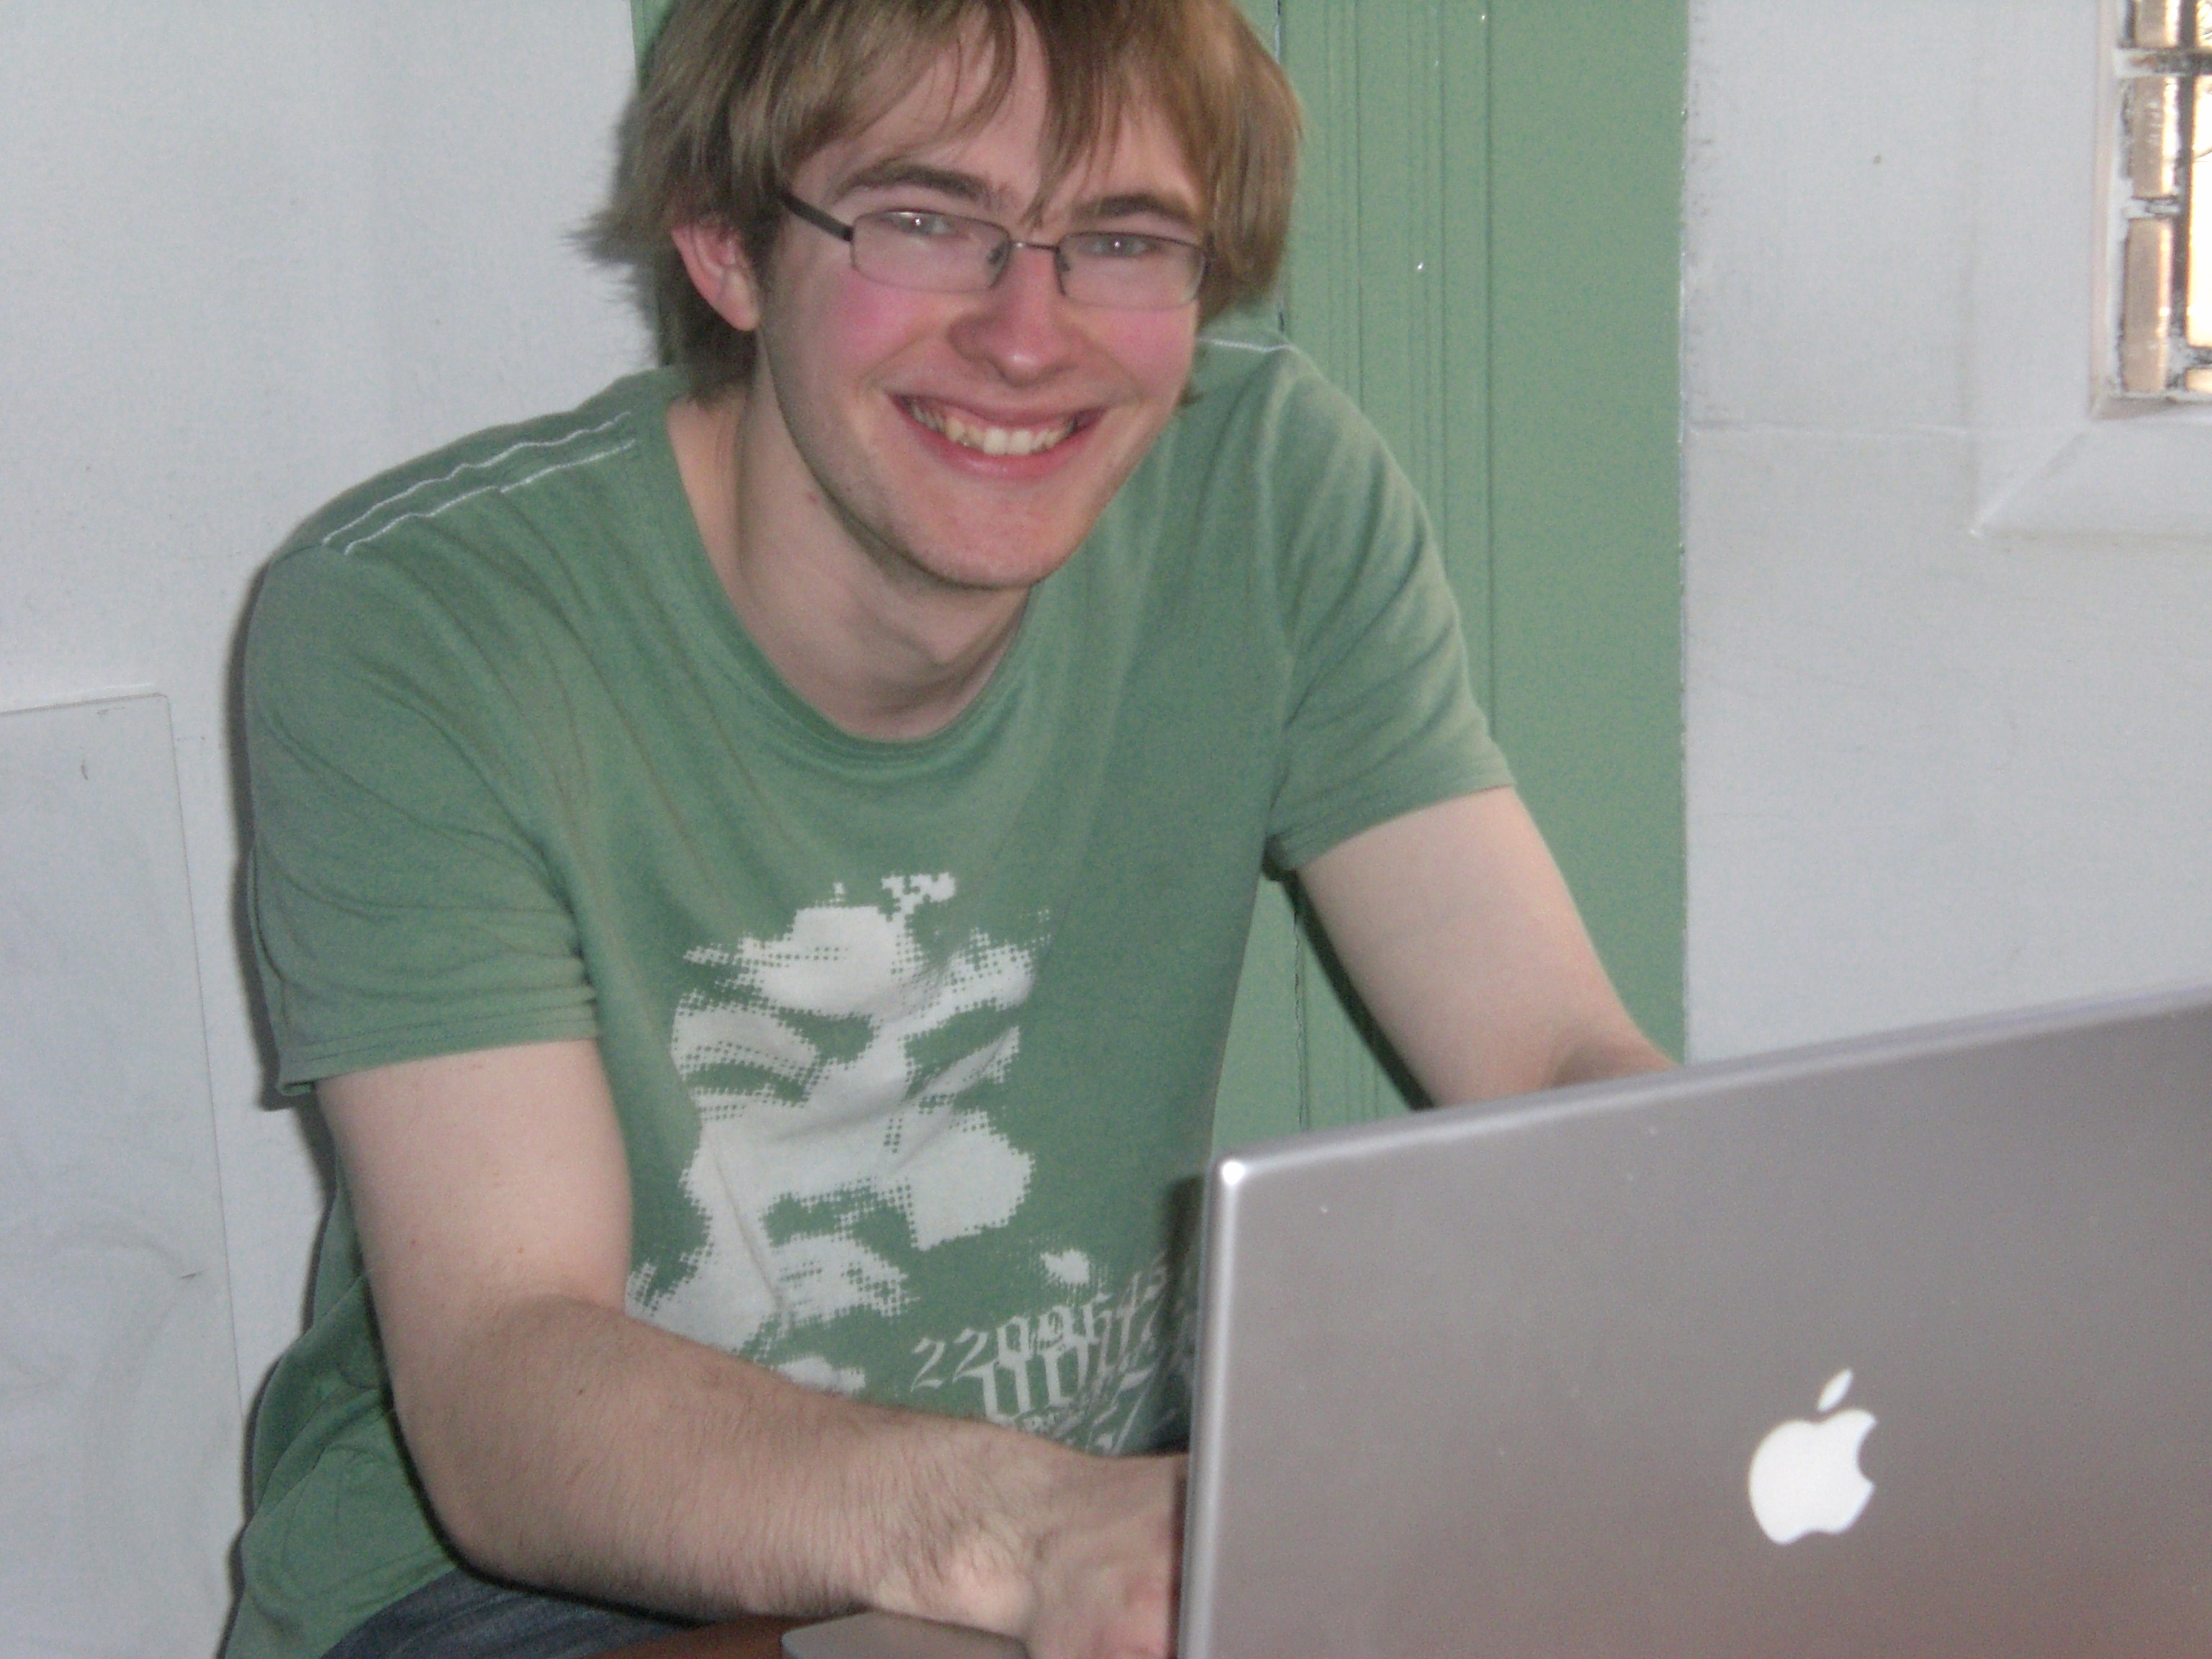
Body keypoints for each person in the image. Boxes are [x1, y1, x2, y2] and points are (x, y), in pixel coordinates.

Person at [227, 1, 1670, 1656]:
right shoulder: (422, 624)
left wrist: (1745, 1297)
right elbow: (508, 1375)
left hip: (1073, 1516)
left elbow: (1545, 1050)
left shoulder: (1264, 485)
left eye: (1121, 239)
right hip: (524, 1594)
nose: (1028, 336)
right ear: (727, 246)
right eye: (927, 220)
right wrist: (1030, 1532)